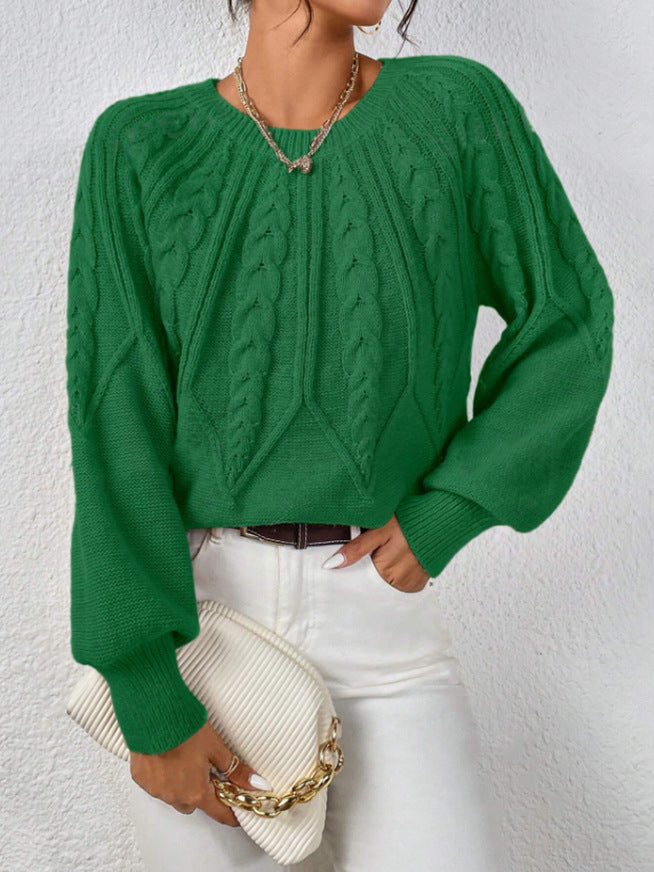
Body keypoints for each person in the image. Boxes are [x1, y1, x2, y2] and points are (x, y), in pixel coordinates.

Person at [64, 1, 614, 869]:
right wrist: (146, 694)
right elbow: (113, 425)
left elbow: (569, 320)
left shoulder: (455, 110)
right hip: (201, 633)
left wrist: (454, 507)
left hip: (382, 631)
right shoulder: (139, 145)